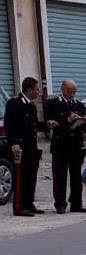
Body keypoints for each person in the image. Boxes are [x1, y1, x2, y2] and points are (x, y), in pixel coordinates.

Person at [46, 79, 86, 213]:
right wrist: (67, 120)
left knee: (76, 176)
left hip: (76, 145)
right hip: (60, 145)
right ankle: (60, 204)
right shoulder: (53, 103)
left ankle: (76, 203)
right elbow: (51, 123)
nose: (72, 94)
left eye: (74, 92)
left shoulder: (79, 105)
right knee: (60, 176)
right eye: (70, 91)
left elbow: (84, 127)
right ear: (63, 90)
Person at [5, 77, 46, 216]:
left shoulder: (31, 105)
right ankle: (19, 206)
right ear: (29, 89)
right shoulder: (14, 103)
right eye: (36, 89)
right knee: (20, 176)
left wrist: (48, 125)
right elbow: (9, 125)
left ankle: (29, 203)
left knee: (31, 176)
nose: (39, 92)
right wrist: (14, 142)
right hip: (20, 146)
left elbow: (34, 126)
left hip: (31, 147)